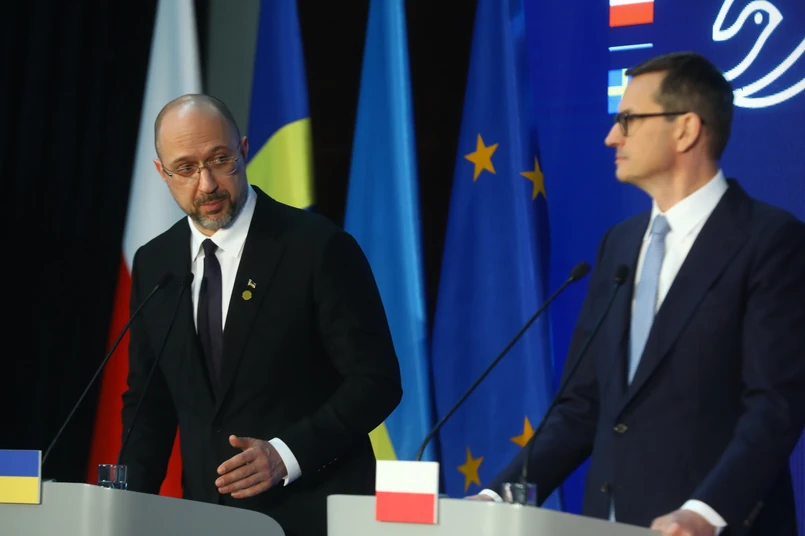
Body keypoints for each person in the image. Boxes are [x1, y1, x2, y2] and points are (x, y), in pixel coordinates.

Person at [471, 51, 805, 536]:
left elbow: (775, 404)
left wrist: (706, 512)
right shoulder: (620, 243)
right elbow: (581, 406)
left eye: (628, 119)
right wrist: (494, 499)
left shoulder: (769, 240)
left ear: (685, 129)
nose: (612, 136)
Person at [120, 94, 403, 536]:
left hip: (311, 515)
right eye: (186, 168)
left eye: (220, 160)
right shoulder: (155, 263)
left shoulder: (317, 248)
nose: (207, 184)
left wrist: (286, 455)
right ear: (162, 172)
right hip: (204, 519)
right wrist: (122, 512)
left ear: (244, 150)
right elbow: (148, 405)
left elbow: (376, 382)